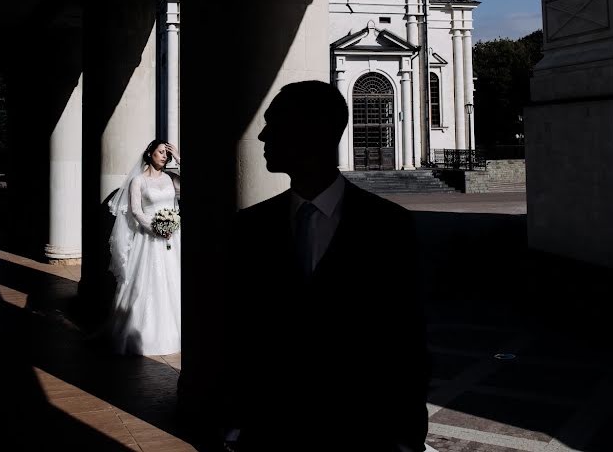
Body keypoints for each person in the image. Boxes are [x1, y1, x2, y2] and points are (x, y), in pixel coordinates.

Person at [221, 81, 429, 452]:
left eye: (275, 123)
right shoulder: (250, 226)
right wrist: (236, 422)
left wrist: (408, 436)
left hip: (360, 431)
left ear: (317, 130)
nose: (264, 134)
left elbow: (406, 337)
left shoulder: (389, 226)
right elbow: (238, 332)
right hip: (273, 432)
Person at [107, 139, 182, 356]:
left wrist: (178, 157)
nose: (164, 156)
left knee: (174, 281)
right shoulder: (138, 181)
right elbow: (137, 211)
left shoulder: (170, 178)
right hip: (149, 238)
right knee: (147, 283)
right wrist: (156, 228)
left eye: (166, 154)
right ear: (149, 153)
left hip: (172, 238)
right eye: (160, 152)